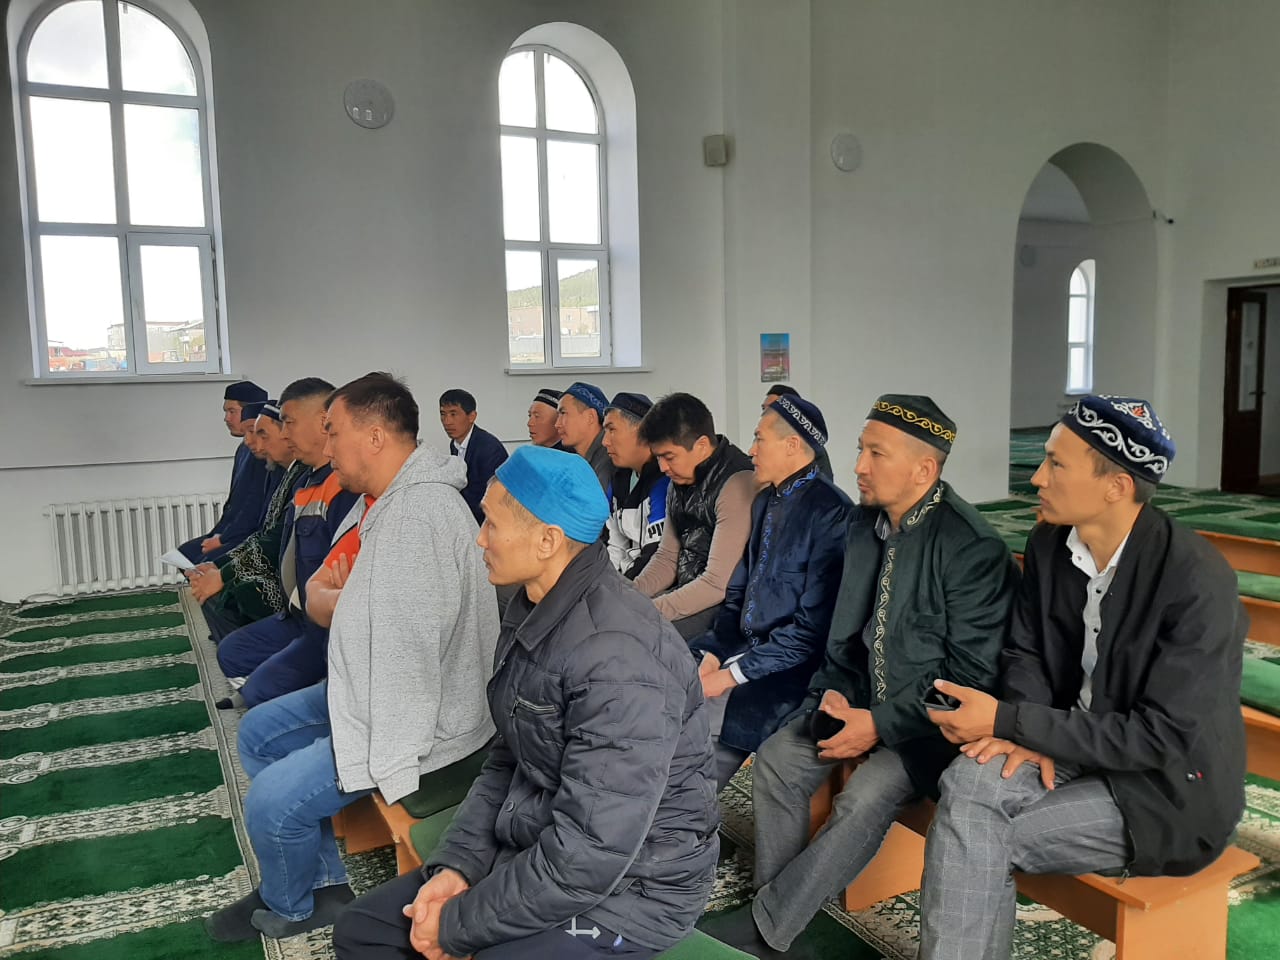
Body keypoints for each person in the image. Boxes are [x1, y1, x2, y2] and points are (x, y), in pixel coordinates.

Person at [332, 445, 719, 960]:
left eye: (491, 523)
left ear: (547, 540)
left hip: (635, 886)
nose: (480, 538)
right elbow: (509, 758)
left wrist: (457, 925)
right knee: (363, 929)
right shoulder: (533, 605)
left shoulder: (619, 660)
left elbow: (592, 854)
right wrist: (459, 866)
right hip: (544, 839)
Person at [917, 396, 1247, 960]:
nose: (1036, 477)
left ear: (1116, 486)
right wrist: (1028, 730)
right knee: (968, 784)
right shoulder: (1049, 542)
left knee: (979, 836)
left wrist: (1011, 722)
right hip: (1070, 739)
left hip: (1162, 787)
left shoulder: (1197, 580)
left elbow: (1160, 738)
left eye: (1056, 464)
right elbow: (1026, 650)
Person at [705, 394, 1017, 959]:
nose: (857, 467)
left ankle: (768, 925)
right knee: (778, 760)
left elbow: (970, 679)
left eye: (876, 454)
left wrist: (878, 724)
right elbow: (845, 635)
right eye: (859, 450)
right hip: (855, 702)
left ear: (924, 468)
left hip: (929, 730)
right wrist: (833, 695)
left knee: (865, 796)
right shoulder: (862, 525)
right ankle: (779, 917)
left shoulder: (972, 548)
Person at [205, 373, 498, 943]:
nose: (326, 444)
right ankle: (322, 884)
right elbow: (324, 588)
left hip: (424, 727)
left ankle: (293, 905)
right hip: (373, 687)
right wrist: (327, 599)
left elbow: (407, 666)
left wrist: (364, 746)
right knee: (259, 734)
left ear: (374, 436)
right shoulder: (386, 501)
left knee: (270, 801)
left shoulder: (418, 517)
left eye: (334, 431)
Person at [689, 396, 852, 791]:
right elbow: (738, 595)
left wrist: (729, 676)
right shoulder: (765, 501)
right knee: (670, 685)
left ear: (792, 445)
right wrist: (714, 653)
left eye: (760, 439)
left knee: (692, 729)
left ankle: (683, 818)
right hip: (745, 654)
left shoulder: (831, 511)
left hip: (790, 672)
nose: (751, 450)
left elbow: (809, 634)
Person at [194, 379, 360, 663]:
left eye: (288, 424)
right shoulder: (302, 475)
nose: (284, 435)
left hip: (315, 613)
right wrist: (221, 564)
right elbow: (264, 528)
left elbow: (272, 539)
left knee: (236, 601)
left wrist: (223, 572)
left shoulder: (341, 482)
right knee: (232, 645)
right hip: (301, 606)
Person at [633, 393, 759, 639]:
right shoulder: (678, 480)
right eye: (658, 457)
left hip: (725, 605)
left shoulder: (736, 484)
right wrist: (629, 596)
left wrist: (647, 611)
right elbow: (666, 558)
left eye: (669, 457)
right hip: (687, 589)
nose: (663, 467)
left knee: (641, 637)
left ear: (701, 446)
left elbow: (716, 584)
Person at [177, 381, 271, 562]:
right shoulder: (243, 450)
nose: (226, 418)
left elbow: (252, 507)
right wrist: (216, 534)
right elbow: (233, 505)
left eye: (232, 411)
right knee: (184, 554)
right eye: (225, 412)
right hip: (231, 530)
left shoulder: (262, 454)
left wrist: (223, 539)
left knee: (205, 561)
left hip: (248, 535)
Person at [601, 391, 669, 579]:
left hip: (646, 585)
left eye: (612, 430)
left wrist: (619, 589)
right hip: (623, 583)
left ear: (642, 431)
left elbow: (654, 557)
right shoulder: (619, 480)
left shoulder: (665, 482)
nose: (605, 441)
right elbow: (614, 547)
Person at [440, 388, 509, 524]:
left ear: (472, 416)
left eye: (453, 414)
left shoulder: (489, 448)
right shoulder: (455, 444)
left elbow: (489, 498)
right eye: (443, 414)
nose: (447, 421)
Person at [760, 384, 833, 479]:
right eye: (764, 408)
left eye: (772, 408)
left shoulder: (811, 447)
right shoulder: (766, 442)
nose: (764, 413)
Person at [556, 381, 613, 492]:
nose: (557, 424)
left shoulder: (609, 460)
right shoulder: (580, 461)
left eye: (563, 413)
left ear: (590, 417)